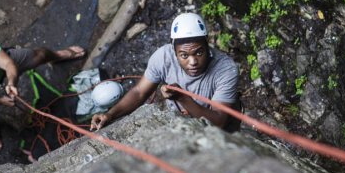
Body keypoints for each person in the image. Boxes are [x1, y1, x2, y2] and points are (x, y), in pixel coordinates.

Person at [90, 13, 238, 131]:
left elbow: (218, 122)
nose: (193, 62)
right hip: (178, 118)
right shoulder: (164, 57)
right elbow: (139, 92)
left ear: (207, 45)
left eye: (199, 53)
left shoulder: (225, 69)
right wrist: (110, 114)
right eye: (184, 55)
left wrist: (183, 98)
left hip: (216, 127)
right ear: (174, 51)